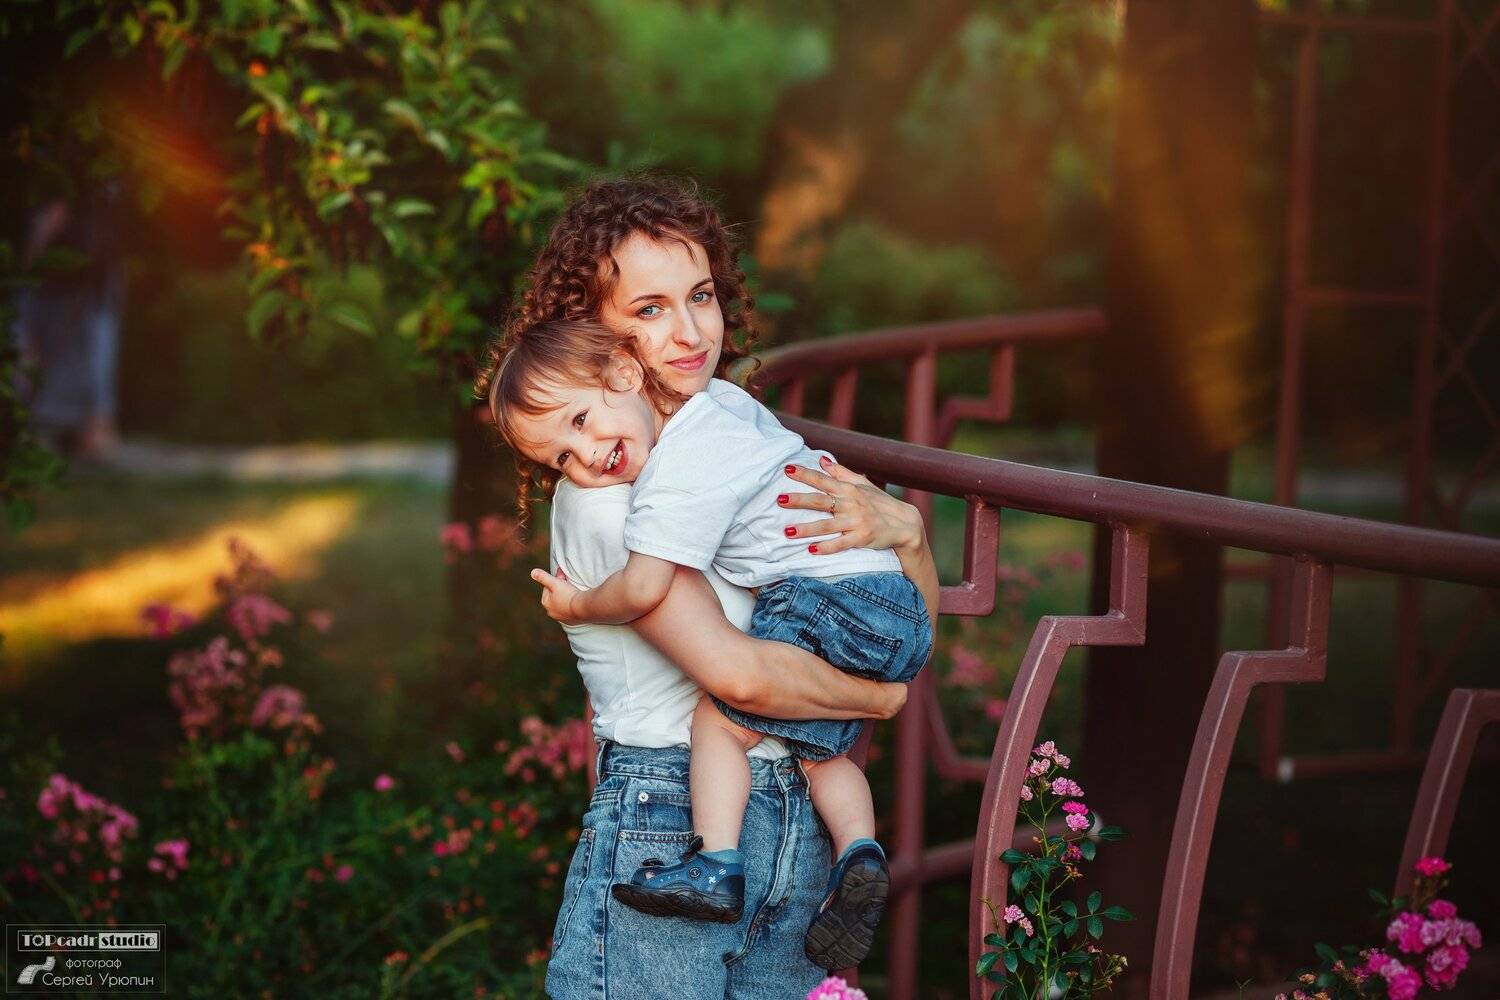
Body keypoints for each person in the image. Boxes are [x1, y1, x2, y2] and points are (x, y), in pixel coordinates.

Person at [474, 176, 938, 998]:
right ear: (597, 336)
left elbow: (891, 627)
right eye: (649, 310)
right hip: (700, 804)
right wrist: (877, 700)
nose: (689, 332)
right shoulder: (608, 496)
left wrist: (908, 534)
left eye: (700, 296)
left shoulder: (721, 440)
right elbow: (743, 676)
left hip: (743, 816)